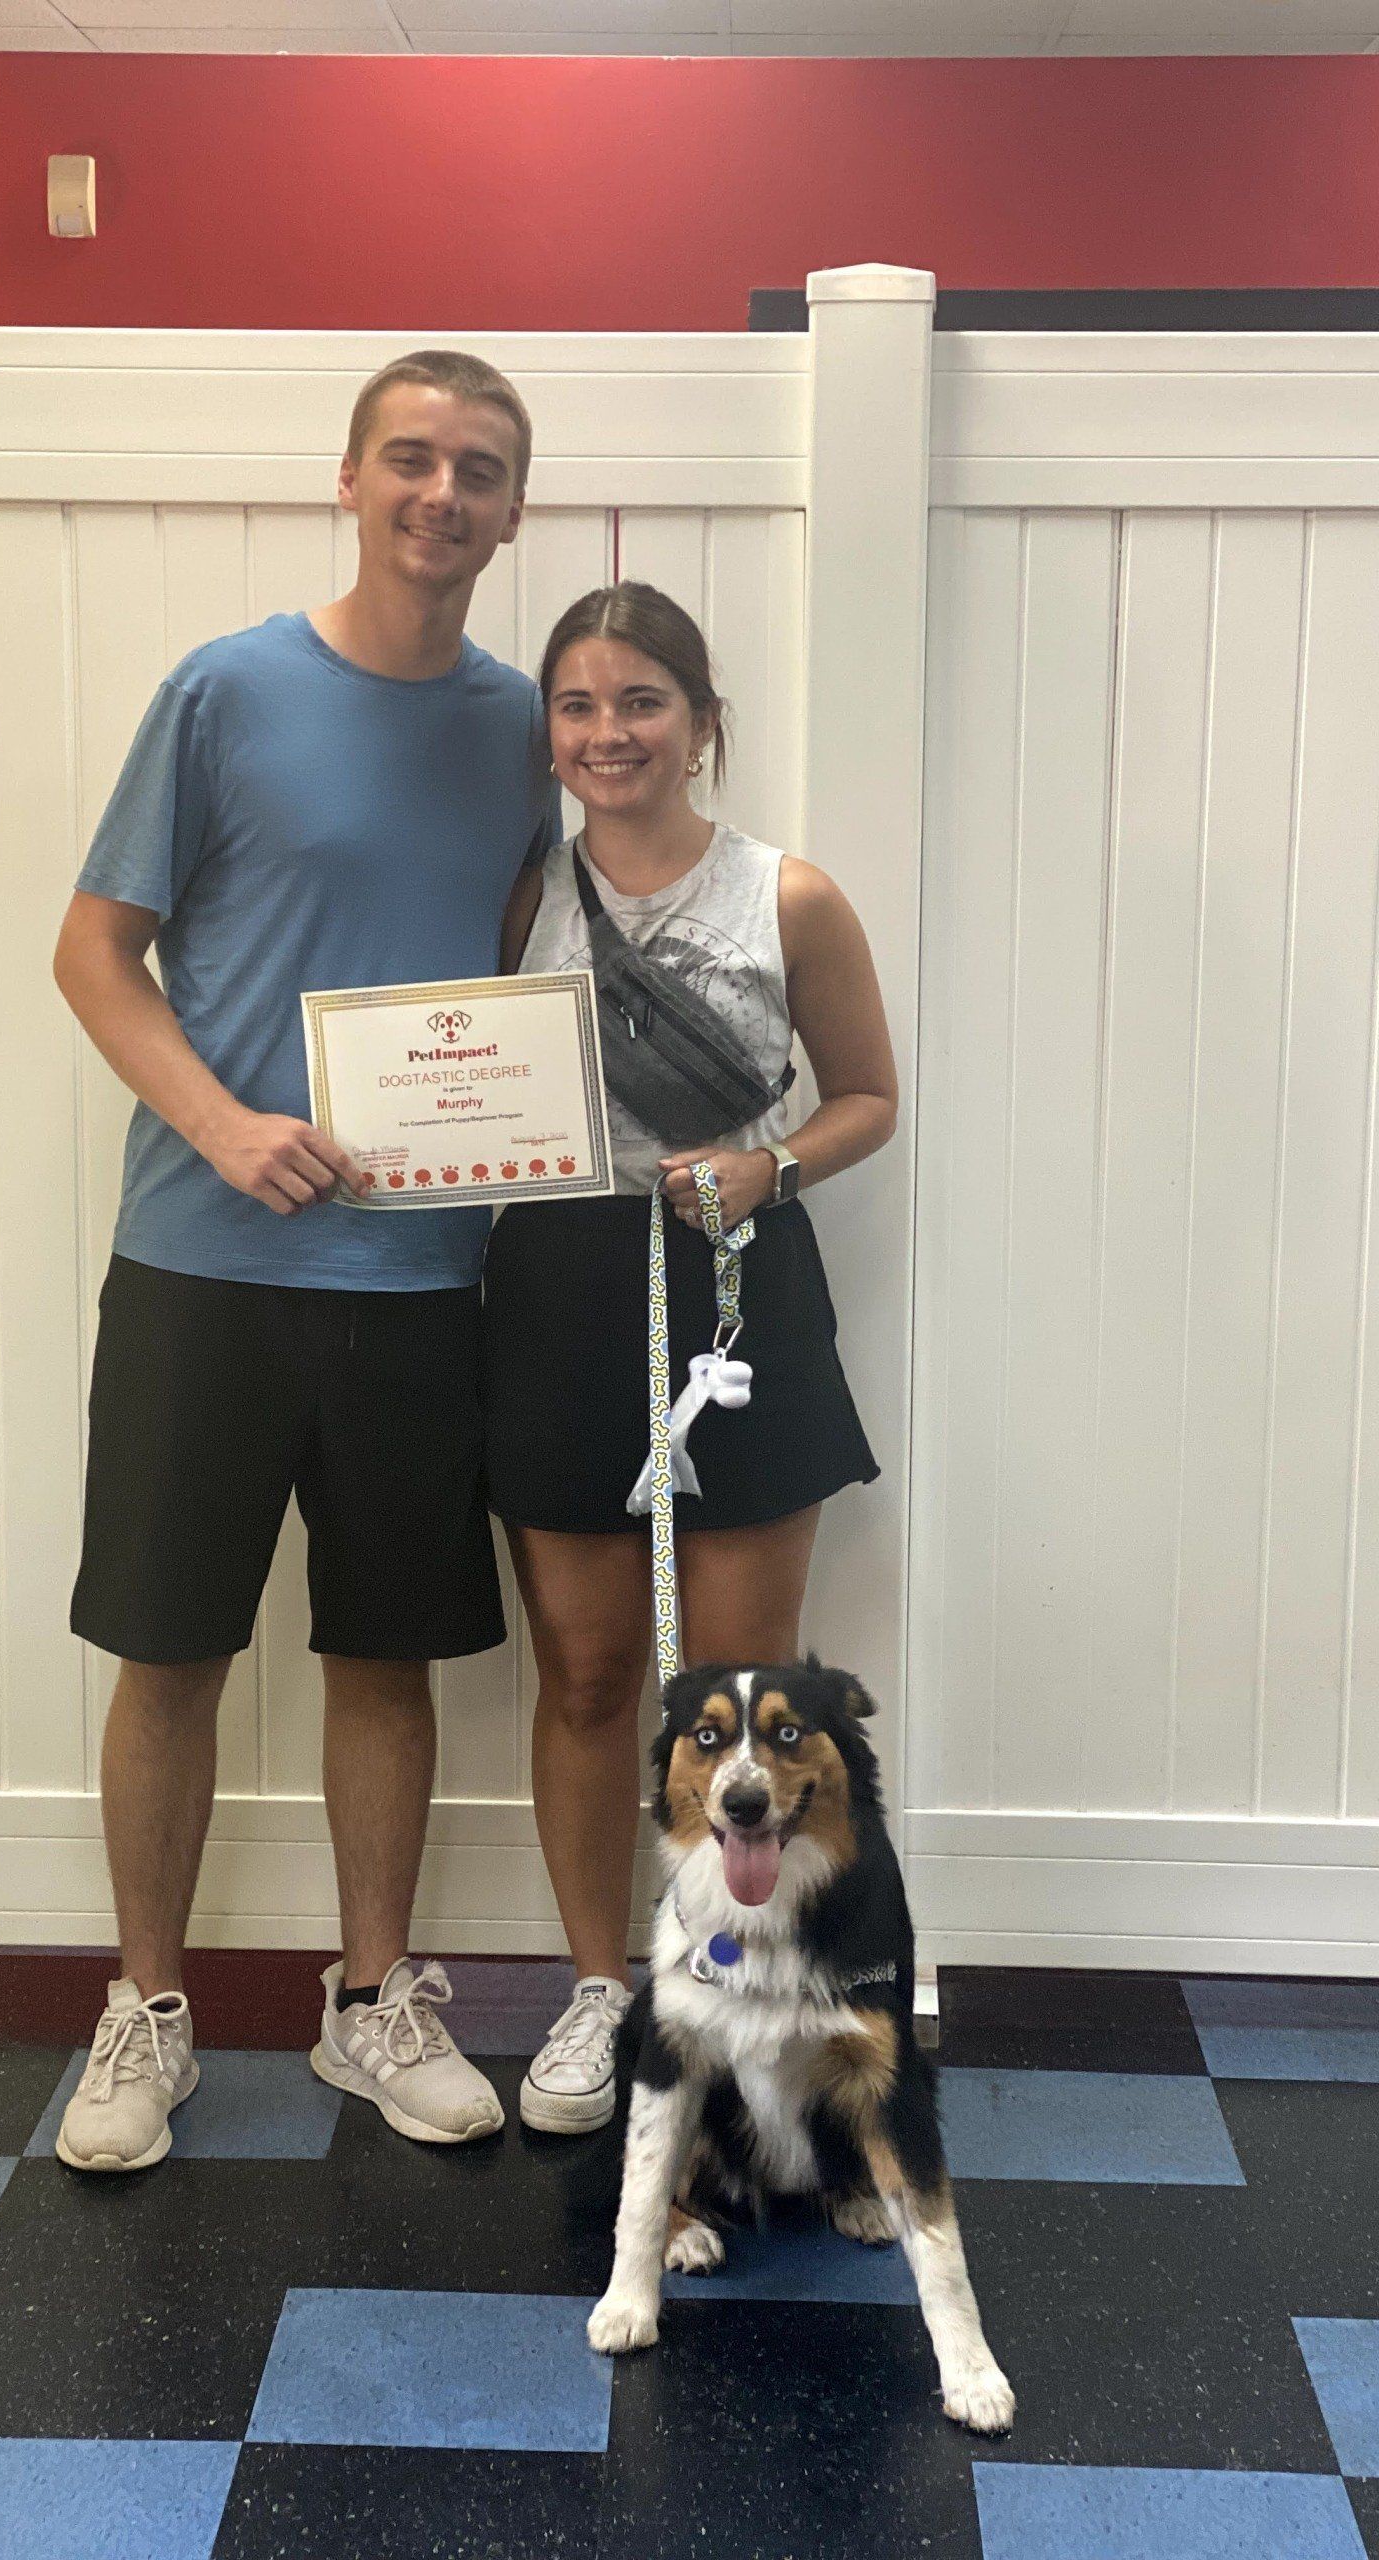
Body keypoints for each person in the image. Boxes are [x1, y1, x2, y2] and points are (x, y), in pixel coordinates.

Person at [51, 350, 555, 2171]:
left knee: (385, 1655)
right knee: (168, 1647)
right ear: (347, 480)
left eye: (479, 470)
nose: (442, 493)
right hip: (202, 1263)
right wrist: (224, 1124)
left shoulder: (528, 727)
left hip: (419, 1282)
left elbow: (520, 975)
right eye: (410, 459)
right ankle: (145, 2014)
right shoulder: (228, 689)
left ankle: (373, 2004)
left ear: (512, 509)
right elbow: (97, 954)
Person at [484, 580, 898, 2136]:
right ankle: (607, 1991)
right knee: (588, 1672)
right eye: (579, 707)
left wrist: (767, 1168)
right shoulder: (518, 890)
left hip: (738, 1289)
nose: (609, 734)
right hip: (556, 1286)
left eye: (643, 702)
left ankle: (746, 1994)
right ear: (550, 733)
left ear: (703, 722)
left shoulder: (788, 896)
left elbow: (865, 1095)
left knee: (743, 1698)